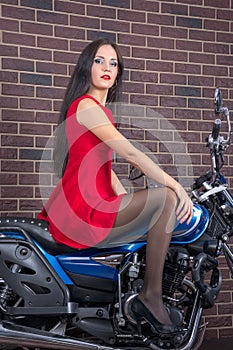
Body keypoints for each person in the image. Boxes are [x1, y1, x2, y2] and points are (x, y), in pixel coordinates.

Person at [38, 38, 193, 334]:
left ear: (119, 72)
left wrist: (129, 202)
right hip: (83, 208)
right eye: (99, 60)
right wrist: (177, 187)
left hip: (92, 202)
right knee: (166, 199)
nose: (107, 68)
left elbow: (105, 170)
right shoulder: (85, 105)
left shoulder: (99, 109)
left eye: (113, 63)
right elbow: (130, 153)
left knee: (157, 205)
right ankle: (151, 296)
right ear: (86, 66)